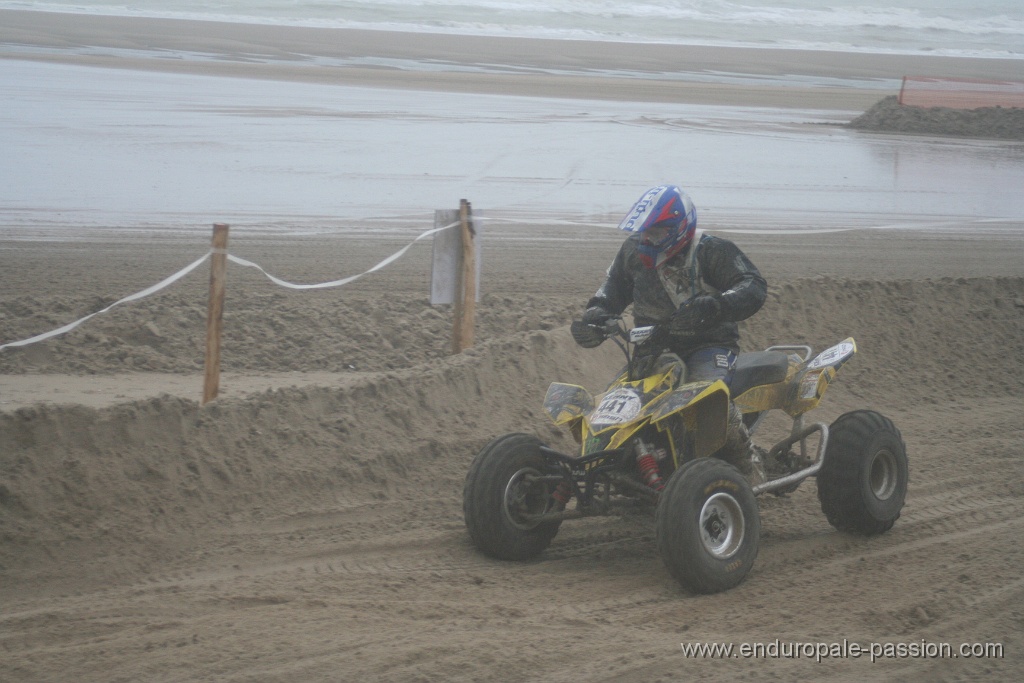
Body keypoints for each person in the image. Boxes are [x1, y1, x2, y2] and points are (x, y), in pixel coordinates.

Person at [573, 185, 767, 472]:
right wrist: (596, 315)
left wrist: (715, 306)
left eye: (658, 232)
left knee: (708, 399)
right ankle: (631, 464)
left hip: (709, 346)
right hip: (652, 348)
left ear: (680, 227)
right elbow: (610, 290)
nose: (648, 239)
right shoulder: (632, 252)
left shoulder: (711, 250)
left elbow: (752, 285)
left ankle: (747, 463)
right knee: (618, 406)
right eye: (645, 232)